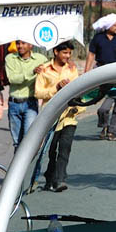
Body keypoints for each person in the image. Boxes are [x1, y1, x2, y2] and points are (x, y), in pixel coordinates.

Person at [34, 41, 80, 192]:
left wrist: (78, 108)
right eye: (64, 53)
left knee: (65, 148)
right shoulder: (44, 70)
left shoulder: (72, 69)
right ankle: (50, 176)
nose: (67, 56)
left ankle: (60, 180)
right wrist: (56, 88)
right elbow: (38, 93)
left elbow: (78, 90)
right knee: (51, 149)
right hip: (51, 116)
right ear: (56, 52)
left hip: (68, 116)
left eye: (69, 53)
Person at [85, 13, 116, 139]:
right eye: (115, 25)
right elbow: (91, 55)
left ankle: (112, 131)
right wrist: (86, 72)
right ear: (108, 26)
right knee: (103, 109)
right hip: (102, 73)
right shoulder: (98, 38)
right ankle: (104, 125)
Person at [4, 40, 48, 152]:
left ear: (30, 45)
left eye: (23, 43)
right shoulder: (10, 58)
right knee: (17, 143)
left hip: (30, 103)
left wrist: (68, 65)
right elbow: (12, 79)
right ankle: (18, 169)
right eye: (18, 43)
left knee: (30, 139)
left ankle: (32, 168)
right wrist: (31, 72)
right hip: (14, 104)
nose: (20, 46)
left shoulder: (40, 59)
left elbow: (51, 68)